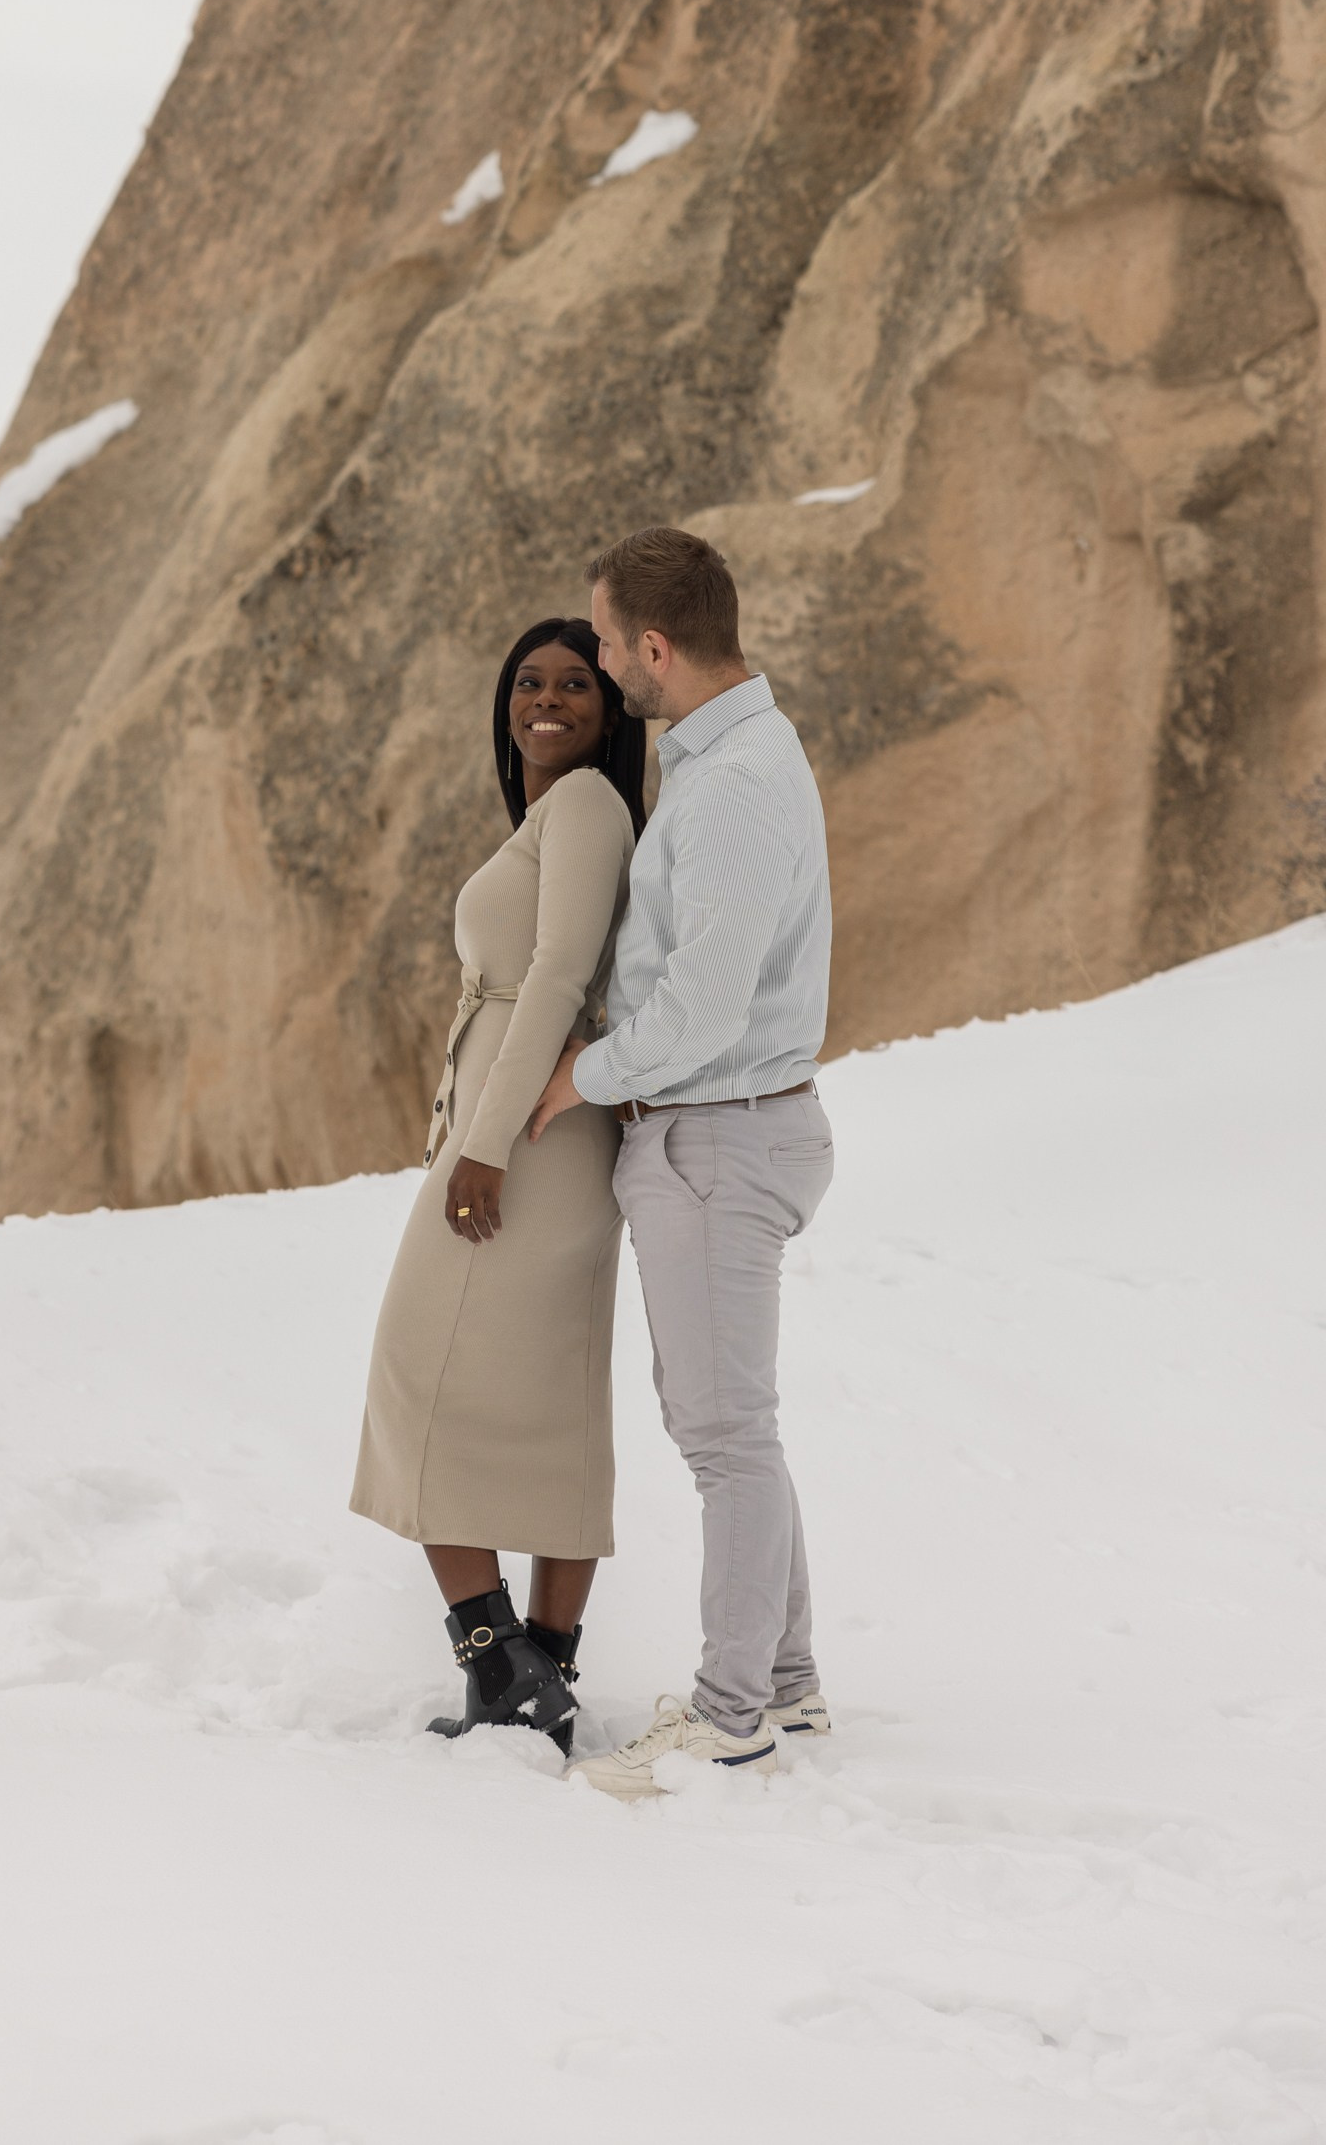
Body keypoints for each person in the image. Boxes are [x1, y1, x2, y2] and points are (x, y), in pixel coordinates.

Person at [526, 524, 834, 1802]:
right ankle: (785, 1683)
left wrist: (577, 1076)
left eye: (603, 640)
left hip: (716, 1132)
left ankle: (731, 1715)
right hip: (720, 1130)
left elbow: (701, 1012)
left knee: (724, 1435)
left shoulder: (733, 783)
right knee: (733, 1425)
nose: (596, 662)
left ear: (654, 647)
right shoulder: (729, 760)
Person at [350, 616, 646, 1755]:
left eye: (579, 682)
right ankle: (540, 1671)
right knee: (555, 1402)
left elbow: (560, 976)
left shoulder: (582, 805)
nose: (551, 698)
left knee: (411, 1376)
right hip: (543, 1137)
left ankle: (496, 1657)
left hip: (525, 1139)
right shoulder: (565, 817)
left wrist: (484, 1141)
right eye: (531, 680)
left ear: (611, 711)